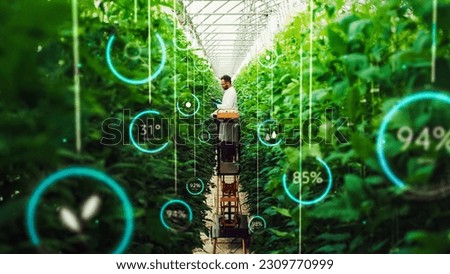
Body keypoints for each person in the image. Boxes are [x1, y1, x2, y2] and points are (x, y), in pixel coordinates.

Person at [214, 75, 239, 162]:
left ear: (228, 83)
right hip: (227, 120)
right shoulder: (229, 91)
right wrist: (219, 103)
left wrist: (218, 105)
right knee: (226, 141)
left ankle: (228, 161)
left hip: (230, 120)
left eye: (223, 84)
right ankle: (226, 160)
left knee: (228, 142)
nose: (222, 86)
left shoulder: (231, 92)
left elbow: (228, 106)